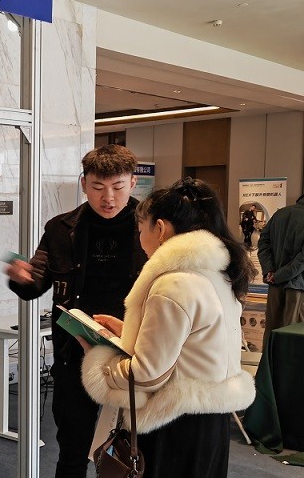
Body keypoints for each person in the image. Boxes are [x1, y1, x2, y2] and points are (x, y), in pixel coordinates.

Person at [79, 178, 256, 478]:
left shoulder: (173, 283)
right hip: (210, 423)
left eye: (141, 229)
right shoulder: (218, 274)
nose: (140, 239)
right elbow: (194, 344)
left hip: (172, 426)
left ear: (159, 229)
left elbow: (147, 374)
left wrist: (100, 360)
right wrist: (129, 331)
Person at [5, 144, 146, 478]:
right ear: (84, 184)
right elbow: (36, 283)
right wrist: (22, 277)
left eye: (118, 187)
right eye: (97, 187)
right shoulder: (60, 229)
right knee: (72, 449)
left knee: (136, 450)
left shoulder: (152, 227)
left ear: (132, 183)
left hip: (137, 355)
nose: (108, 198)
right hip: (75, 356)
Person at [257, 193, 304, 347]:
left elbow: (263, 242)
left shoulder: (279, 214)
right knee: (293, 338)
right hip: (298, 289)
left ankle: (267, 364)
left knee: (271, 335)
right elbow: (302, 260)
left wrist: (269, 270)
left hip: (275, 286)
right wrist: (280, 275)